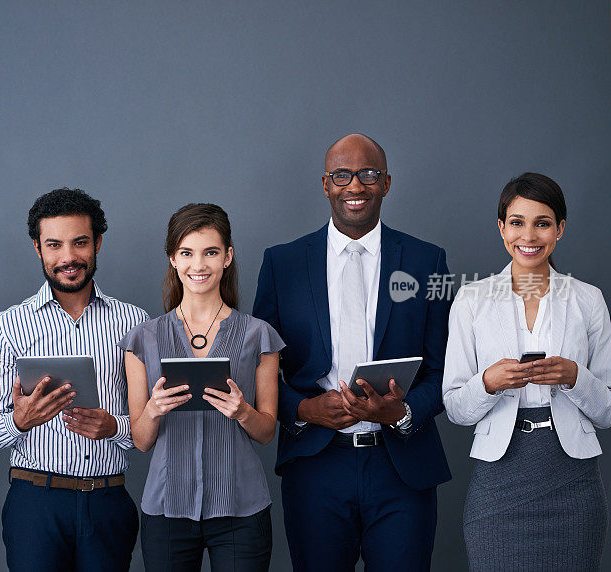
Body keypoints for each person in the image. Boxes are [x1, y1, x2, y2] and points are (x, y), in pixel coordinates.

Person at [253, 133, 452, 571]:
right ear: (325, 184)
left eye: (368, 174)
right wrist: (304, 408)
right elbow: (257, 369)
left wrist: (400, 413)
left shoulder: (426, 261)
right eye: (342, 175)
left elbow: (445, 371)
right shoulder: (282, 264)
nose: (355, 186)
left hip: (401, 465)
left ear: (386, 183)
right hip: (316, 466)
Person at [442, 172, 610, 570]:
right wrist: (488, 384)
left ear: (561, 229)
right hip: (498, 482)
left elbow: (607, 411)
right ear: (501, 227)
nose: (529, 236)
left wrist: (573, 376)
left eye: (543, 223)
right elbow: (455, 408)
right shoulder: (472, 300)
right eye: (517, 222)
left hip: (573, 482)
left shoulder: (588, 300)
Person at [0, 188, 147, 571]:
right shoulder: (7, 327)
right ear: (38, 248)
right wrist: (21, 420)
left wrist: (114, 427)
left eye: (80, 243)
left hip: (108, 502)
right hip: (35, 504)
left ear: (98, 243)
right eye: (54, 244)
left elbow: (151, 425)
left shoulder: (134, 322)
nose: (68, 257)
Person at [120, 203, 284, 571]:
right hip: (166, 510)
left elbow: (267, 432)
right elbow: (142, 440)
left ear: (228, 257)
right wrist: (154, 409)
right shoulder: (141, 340)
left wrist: (243, 412)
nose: (199, 265)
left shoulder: (260, 335)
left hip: (242, 510)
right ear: (172, 259)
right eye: (187, 253)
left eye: (210, 252)